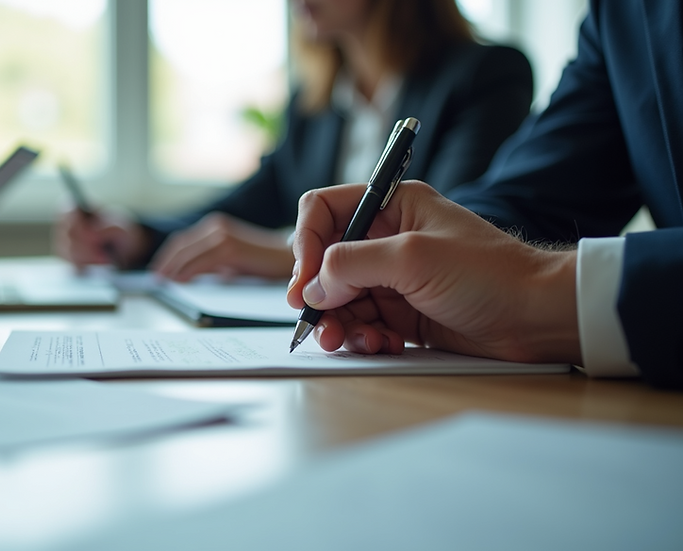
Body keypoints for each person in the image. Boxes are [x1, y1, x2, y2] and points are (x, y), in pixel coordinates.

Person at [286, 0, 683, 389]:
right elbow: (532, 191)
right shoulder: (621, 11)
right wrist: (407, 257)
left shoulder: (478, 72)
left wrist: (537, 295)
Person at [54, 0, 533, 281]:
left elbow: (452, 229)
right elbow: (247, 205)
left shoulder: (485, 76)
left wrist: (278, 253)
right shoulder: (314, 103)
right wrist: (139, 235)